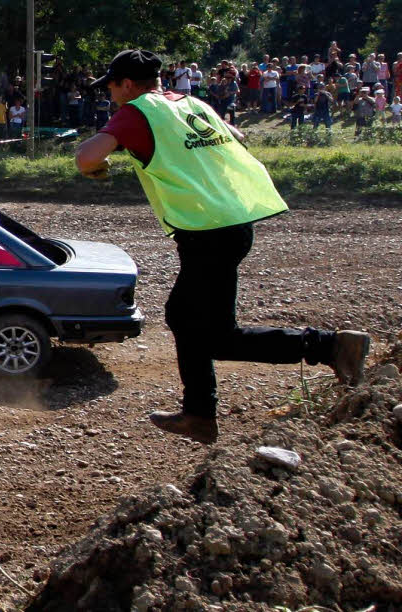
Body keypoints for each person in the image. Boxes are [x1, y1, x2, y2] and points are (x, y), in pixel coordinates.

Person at [73, 49, 371, 444]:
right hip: (233, 224)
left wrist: (99, 166)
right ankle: (200, 413)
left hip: (206, 231)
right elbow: (238, 135)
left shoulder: (136, 111)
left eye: (111, 85)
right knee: (195, 324)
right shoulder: (193, 103)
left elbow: (85, 157)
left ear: (128, 83)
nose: (109, 93)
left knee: (202, 328)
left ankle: (329, 347)